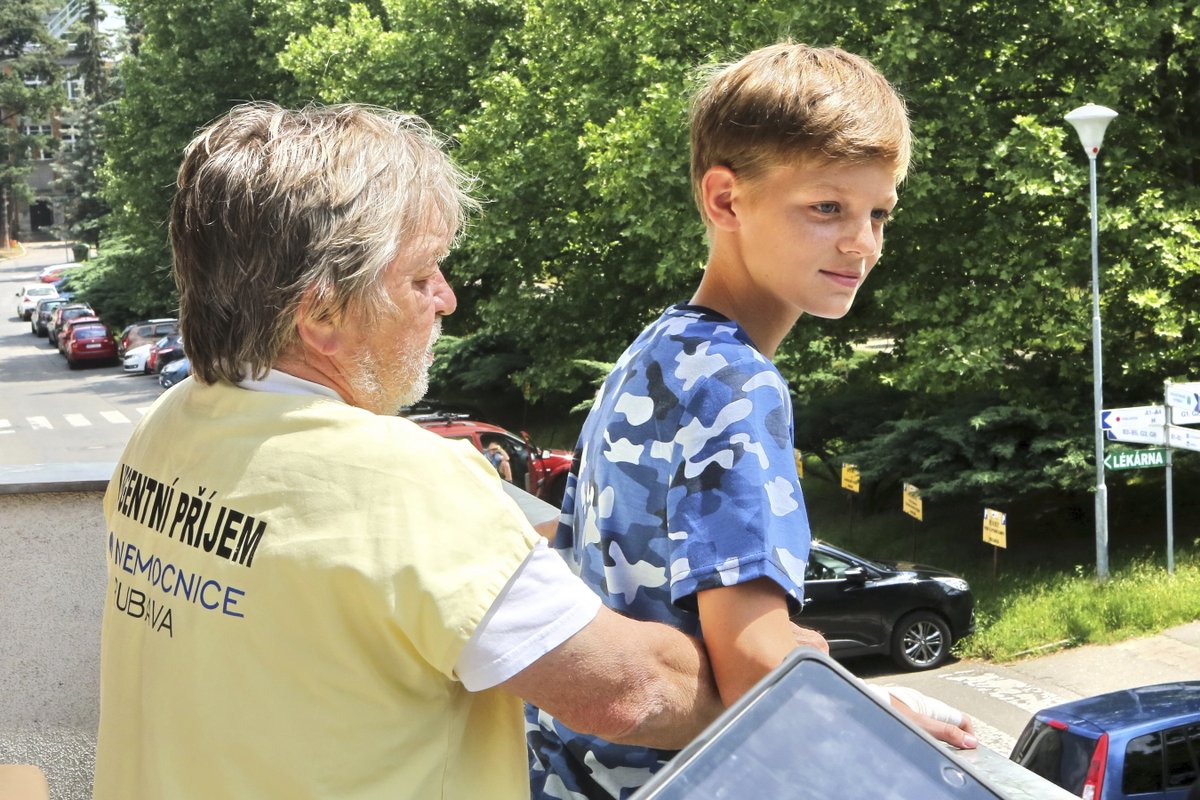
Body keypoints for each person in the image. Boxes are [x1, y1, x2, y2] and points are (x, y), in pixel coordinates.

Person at [91, 102, 728, 800]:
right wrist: (781, 667)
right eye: (422, 276)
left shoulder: (171, 423)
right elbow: (631, 693)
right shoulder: (403, 482)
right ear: (322, 314)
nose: (446, 299)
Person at [527, 42, 976, 800]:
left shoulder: (657, 352)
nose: (861, 244)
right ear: (726, 200)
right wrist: (882, 712)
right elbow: (756, 660)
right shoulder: (739, 384)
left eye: (877, 214)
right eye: (827, 208)